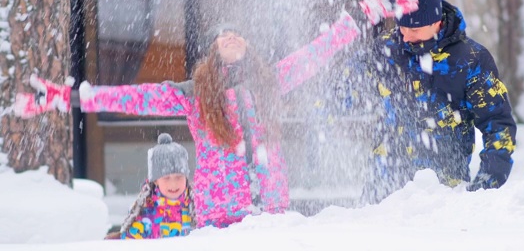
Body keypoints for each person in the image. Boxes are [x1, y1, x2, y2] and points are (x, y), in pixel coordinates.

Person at [12, 12, 361, 228]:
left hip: (272, 217)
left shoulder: (268, 83)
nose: (232, 37)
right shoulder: (194, 94)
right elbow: (135, 98)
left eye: (238, 34)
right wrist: (70, 97)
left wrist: (361, 18)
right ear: (213, 50)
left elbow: (313, 55)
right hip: (219, 222)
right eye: (224, 35)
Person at [352, 0, 517, 203]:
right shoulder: (385, 49)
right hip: (382, 191)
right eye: (402, 27)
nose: (406, 36)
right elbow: (346, 91)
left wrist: (485, 187)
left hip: (442, 195)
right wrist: (355, 22)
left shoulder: (470, 60)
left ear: (436, 22)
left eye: (415, 29)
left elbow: (499, 125)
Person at [105, 133, 196, 239]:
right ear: (156, 181)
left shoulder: (195, 208)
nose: (173, 183)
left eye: (179, 177)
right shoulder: (146, 213)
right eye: (166, 178)